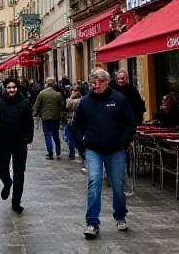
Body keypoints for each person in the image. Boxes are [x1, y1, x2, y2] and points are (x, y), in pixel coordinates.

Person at [72, 69, 136, 239]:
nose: (96, 85)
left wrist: (123, 143)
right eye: (93, 82)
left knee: (118, 185)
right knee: (94, 182)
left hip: (116, 150)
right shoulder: (85, 102)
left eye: (100, 82)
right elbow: (76, 126)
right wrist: (82, 147)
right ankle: (92, 222)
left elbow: (131, 123)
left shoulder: (119, 99)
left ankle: (120, 216)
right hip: (93, 150)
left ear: (107, 82)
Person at [0, 77, 33, 214]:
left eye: (14, 87)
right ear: (5, 88)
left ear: (17, 88)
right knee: (1, 166)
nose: (12, 90)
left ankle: (16, 202)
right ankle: (7, 183)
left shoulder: (24, 103)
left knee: (19, 172)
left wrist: (28, 138)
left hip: (19, 141)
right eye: (9, 87)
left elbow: (29, 122)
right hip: (2, 141)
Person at [33, 76, 66, 160]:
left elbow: (37, 105)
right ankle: (58, 148)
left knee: (47, 135)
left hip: (45, 117)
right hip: (56, 117)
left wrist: (35, 114)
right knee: (55, 134)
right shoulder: (58, 94)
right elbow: (63, 106)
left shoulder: (42, 93)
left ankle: (50, 152)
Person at [65, 88, 83, 162]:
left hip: (70, 120)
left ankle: (72, 154)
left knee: (71, 138)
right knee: (79, 138)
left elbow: (66, 107)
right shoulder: (82, 101)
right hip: (79, 122)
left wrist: (70, 98)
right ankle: (81, 153)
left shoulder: (70, 100)